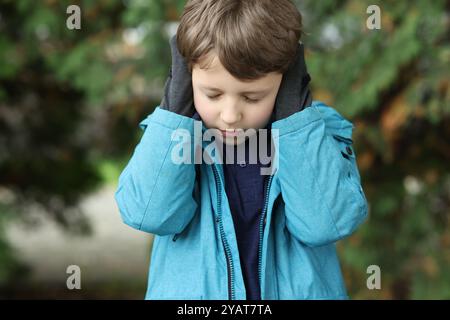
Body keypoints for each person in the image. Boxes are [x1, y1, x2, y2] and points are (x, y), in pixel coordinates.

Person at [115, 0, 368, 300]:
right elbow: (149, 213)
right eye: (213, 94)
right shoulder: (173, 134)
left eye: (252, 97)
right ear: (187, 76)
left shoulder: (316, 133)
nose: (230, 115)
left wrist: (295, 122)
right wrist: (175, 112)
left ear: (287, 79)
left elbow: (325, 223)